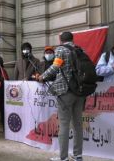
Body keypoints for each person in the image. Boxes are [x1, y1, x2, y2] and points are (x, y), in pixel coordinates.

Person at [37, 32, 85, 161]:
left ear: (60, 39)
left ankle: (63, 158)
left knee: (64, 125)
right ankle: (78, 156)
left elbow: (55, 66)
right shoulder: (80, 50)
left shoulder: (61, 50)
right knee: (78, 125)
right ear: (72, 39)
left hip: (65, 92)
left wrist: (42, 76)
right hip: (80, 92)